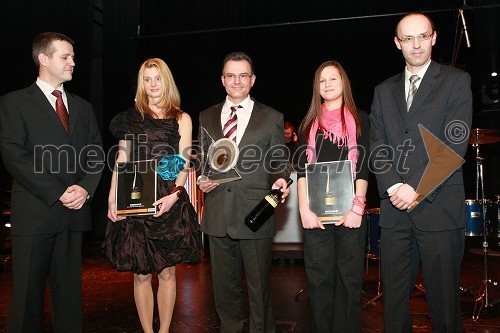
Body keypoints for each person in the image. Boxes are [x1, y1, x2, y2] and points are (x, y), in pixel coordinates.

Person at [369, 12, 473, 332]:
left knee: (443, 306)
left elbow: (454, 144)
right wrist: (392, 188)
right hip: (395, 212)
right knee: (395, 307)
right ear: (397, 43)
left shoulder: (456, 81)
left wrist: (414, 188)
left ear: (434, 38)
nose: (416, 44)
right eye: (408, 38)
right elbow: (377, 144)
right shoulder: (383, 91)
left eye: (422, 36)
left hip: (438, 209)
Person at [0, 32, 103, 332]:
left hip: (73, 216)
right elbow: (14, 156)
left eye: (73, 56)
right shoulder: (14, 103)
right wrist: (59, 192)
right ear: (44, 59)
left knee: (69, 300)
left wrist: (85, 189)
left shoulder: (82, 107)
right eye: (66, 57)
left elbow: (96, 154)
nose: (73, 62)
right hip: (35, 216)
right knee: (27, 300)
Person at [102, 58, 201, 333]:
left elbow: (183, 160)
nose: (153, 85)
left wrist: (175, 195)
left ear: (166, 81)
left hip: (168, 198)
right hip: (136, 197)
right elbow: (122, 160)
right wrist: (113, 197)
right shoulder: (130, 118)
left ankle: (164, 330)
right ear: (141, 84)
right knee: (141, 272)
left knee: (168, 271)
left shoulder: (181, 118)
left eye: (158, 78)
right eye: (147, 79)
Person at [197, 51, 291, 332]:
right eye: (230, 75)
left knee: (259, 290)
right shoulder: (206, 116)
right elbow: (204, 161)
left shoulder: (272, 117)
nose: (236, 81)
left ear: (252, 80)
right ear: (222, 80)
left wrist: (280, 179)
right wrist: (202, 179)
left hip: (255, 213)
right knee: (224, 295)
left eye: (243, 75)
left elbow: (279, 161)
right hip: (216, 212)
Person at [296, 60, 369, 332]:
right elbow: (302, 171)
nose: (327, 84)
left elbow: (364, 168)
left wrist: (357, 209)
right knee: (319, 282)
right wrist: (304, 208)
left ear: (343, 83)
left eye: (333, 79)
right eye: (322, 80)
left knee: (350, 283)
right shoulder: (307, 125)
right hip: (316, 217)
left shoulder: (361, 119)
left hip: (351, 214)